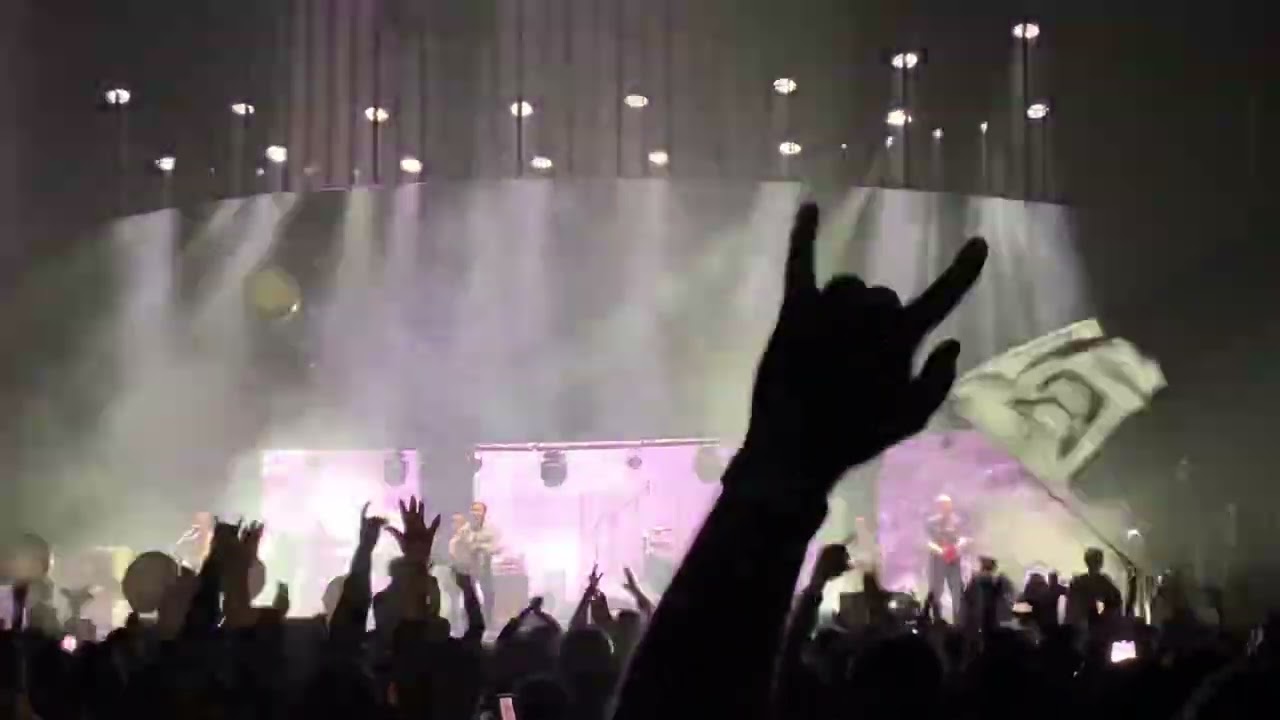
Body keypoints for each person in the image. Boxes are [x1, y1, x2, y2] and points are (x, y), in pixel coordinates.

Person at [925, 494, 969, 622]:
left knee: (957, 591)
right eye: (941, 505)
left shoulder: (958, 522)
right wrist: (940, 550)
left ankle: (958, 621)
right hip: (937, 561)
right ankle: (937, 620)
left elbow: (963, 538)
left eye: (947, 504)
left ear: (951, 505)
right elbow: (927, 541)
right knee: (936, 591)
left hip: (954, 561)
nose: (944, 507)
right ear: (937, 507)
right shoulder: (931, 523)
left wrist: (957, 547)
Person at [1066, 547, 1123, 630]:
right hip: (1089, 624)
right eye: (1096, 561)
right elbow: (1116, 600)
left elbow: (1071, 604)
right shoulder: (1102, 581)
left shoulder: (1079, 581)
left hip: (1084, 623)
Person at [463, 501, 501, 623]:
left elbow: (497, 547)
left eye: (478, 510)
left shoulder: (491, 529)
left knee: (488, 594)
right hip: (468, 566)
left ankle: (489, 620)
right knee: (469, 595)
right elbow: (462, 545)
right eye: (473, 510)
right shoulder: (465, 529)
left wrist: (480, 547)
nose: (475, 513)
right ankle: (471, 620)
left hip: (486, 565)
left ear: (484, 512)